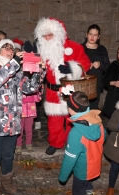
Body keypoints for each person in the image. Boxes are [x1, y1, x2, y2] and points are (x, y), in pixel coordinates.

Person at [0, 39, 46, 195]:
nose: (11, 51)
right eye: (6, 48)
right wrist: (15, 62)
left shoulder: (16, 72)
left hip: (12, 123)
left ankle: (7, 185)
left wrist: (39, 71)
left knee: (8, 156)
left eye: (11, 48)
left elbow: (30, 88)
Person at [33, 17, 91, 155]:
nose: (47, 38)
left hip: (71, 89)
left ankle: (72, 143)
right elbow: (35, 69)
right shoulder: (42, 50)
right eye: (44, 35)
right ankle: (55, 143)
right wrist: (31, 56)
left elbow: (86, 64)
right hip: (52, 90)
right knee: (54, 120)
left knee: (72, 119)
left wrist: (72, 68)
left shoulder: (75, 47)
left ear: (58, 34)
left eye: (50, 35)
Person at [58, 91, 106, 195]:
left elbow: (69, 159)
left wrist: (63, 176)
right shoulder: (98, 122)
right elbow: (104, 138)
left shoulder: (76, 133)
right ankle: (90, 193)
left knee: (78, 192)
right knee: (88, 183)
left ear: (71, 109)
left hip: (82, 170)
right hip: (95, 164)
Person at [82, 24, 110, 109]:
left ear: (98, 37)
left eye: (95, 35)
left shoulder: (102, 49)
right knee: (81, 108)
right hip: (82, 83)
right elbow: (74, 65)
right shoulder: (80, 48)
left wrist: (100, 64)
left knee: (93, 109)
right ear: (86, 34)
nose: (92, 37)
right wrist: (85, 66)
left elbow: (107, 67)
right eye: (90, 34)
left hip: (96, 84)